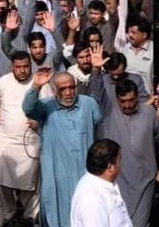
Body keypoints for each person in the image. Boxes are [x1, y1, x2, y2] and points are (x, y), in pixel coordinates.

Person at [90, 48, 159, 227]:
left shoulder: (149, 113)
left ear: (137, 97)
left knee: (140, 223)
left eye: (131, 100)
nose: (127, 105)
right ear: (117, 100)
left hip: (144, 179)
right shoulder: (109, 111)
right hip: (117, 180)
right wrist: (95, 70)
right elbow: (96, 92)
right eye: (122, 101)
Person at [22, 70, 102, 227]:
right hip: (57, 176)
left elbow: (97, 119)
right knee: (58, 215)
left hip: (84, 174)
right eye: (62, 89)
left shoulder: (88, 103)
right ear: (54, 91)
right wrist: (36, 86)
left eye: (71, 87)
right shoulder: (46, 105)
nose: (68, 92)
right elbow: (28, 108)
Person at [0, 51, 40, 224]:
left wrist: (39, 122)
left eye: (26, 67)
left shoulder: (39, 82)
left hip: (29, 143)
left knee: (30, 189)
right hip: (4, 141)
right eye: (19, 67)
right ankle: (7, 217)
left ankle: (31, 220)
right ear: (12, 67)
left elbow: (46, 109)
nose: (23, 71)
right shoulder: (3, 82)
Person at [70, 139, 133, 227]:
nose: (121, 162)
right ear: (110, 167)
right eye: (120, 159)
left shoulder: (101, 183)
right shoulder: (93, 202)